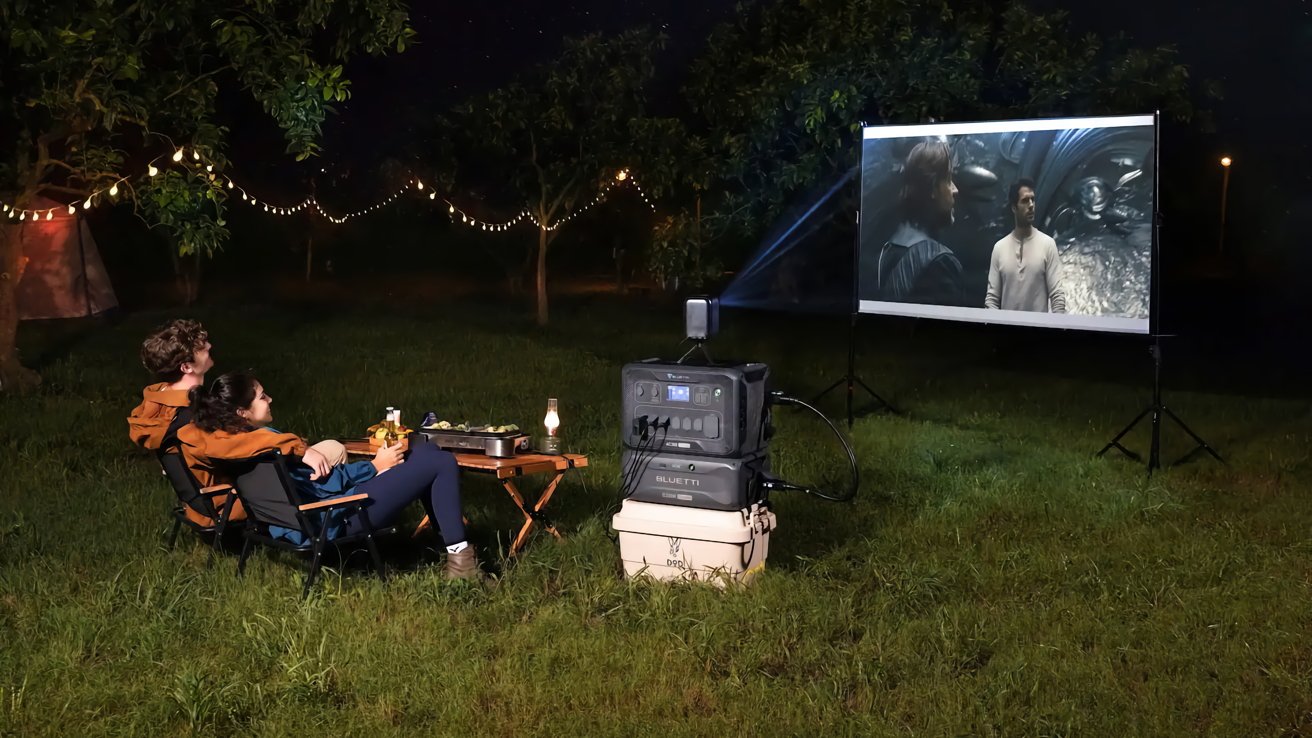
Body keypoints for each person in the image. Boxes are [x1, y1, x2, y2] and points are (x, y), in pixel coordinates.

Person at [177, 371, 482, 580]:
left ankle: (451, 542)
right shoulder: (269, 444)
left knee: (425, 454)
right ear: (243, 412)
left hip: (297, 524)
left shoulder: (235, 443)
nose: (269, 399)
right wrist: (375, 466)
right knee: (440, 462)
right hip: (336, 518)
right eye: (261, 397)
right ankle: (461, 561)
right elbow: (326, 484)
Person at [873, 140, 969, 307]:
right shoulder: (941, 263)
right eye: (948, 180)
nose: (955, 189)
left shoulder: (887, 249)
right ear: (932, 189)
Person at [985, 178, 1068, 313]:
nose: (1031, 205)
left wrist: (1056, 330)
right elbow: (992, 299)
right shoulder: (999, 248)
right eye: (1025, 201)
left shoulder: (1047, 244)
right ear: (1014, 207)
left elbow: (1057, 296)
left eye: (1032, 199)